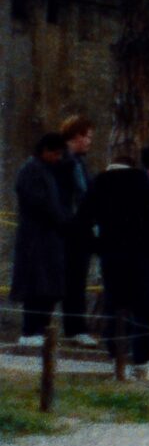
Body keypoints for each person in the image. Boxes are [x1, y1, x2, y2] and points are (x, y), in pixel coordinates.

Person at [83, 143, 149, 369]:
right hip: (145, 256)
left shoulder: (100, 183)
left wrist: (98, 245)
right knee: (144, 307)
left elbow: (83, 219)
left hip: (112, 254)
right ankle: (144, 358)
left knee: (115, 303)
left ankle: (116, 353)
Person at [12, 130, 76, 344]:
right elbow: (42, 204)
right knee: (36, 287)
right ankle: (31, 330)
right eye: (56, 154)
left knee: (47, 288)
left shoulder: (44, 170)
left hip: (47, 238)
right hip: (35, 238)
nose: (58, 158)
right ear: (45, 151)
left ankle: (41, 328)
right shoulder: (31, 171)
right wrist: (63, 219)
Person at [54, 115, 94, 337]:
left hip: (80, 229)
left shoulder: (79, 162)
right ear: (76, 136)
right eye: (87, 137)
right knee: (71, 279)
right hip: (69, 229)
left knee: (77, 280)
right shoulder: (64, 162)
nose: (89, 142)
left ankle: (76, 327)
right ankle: (73, 328)